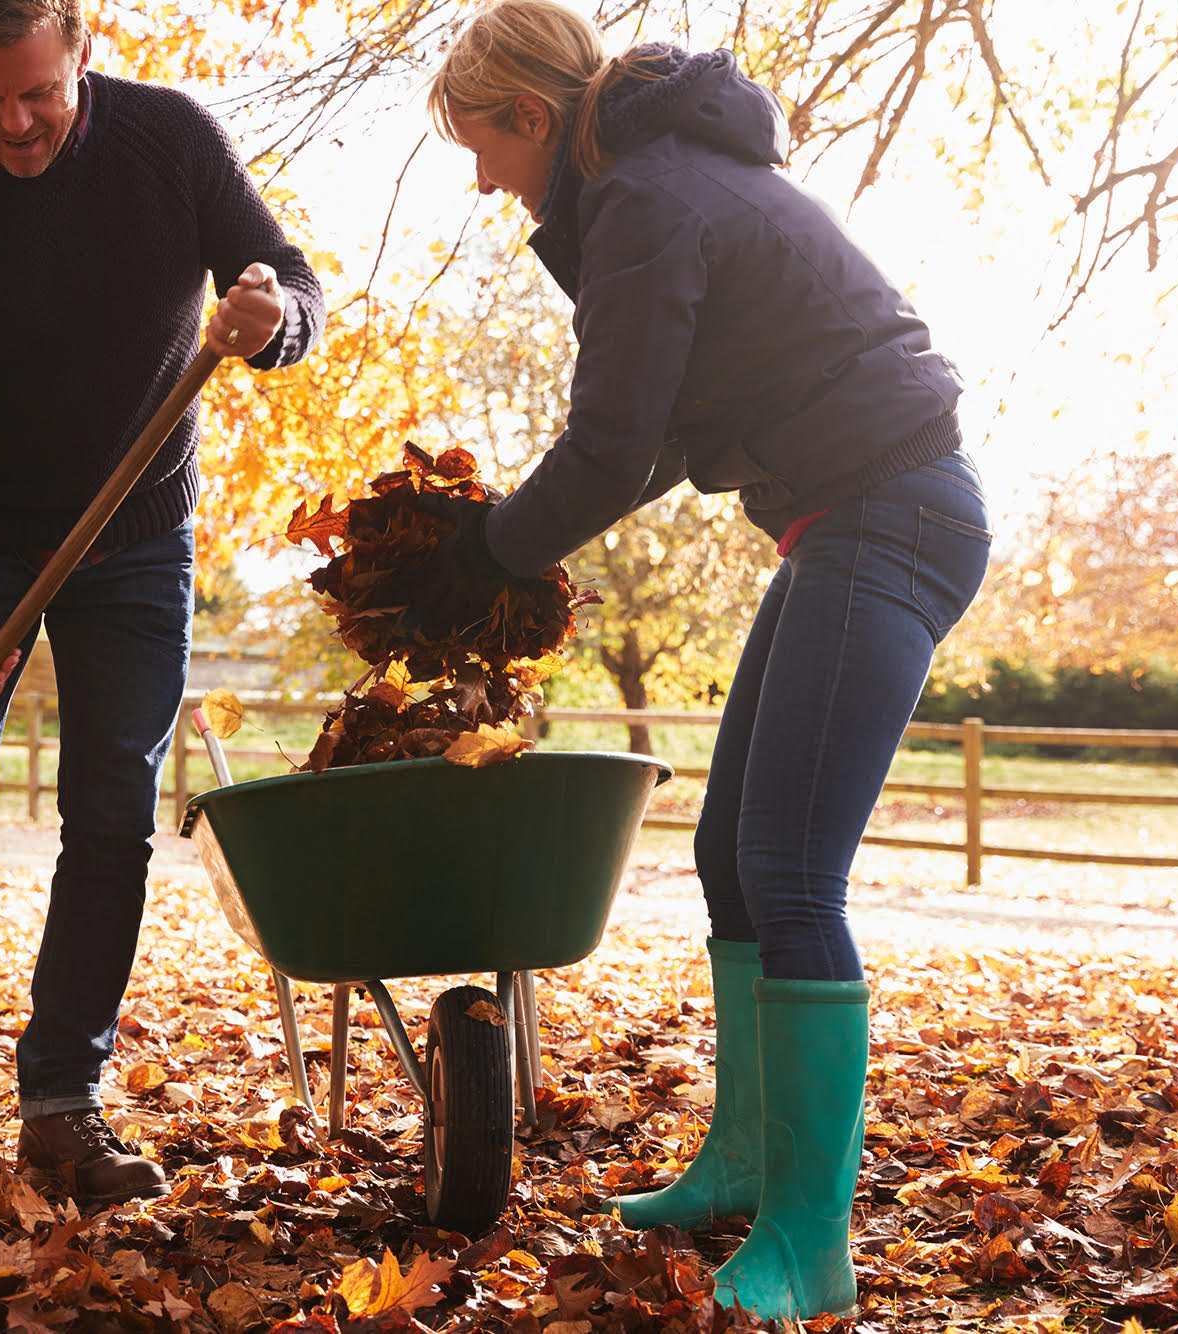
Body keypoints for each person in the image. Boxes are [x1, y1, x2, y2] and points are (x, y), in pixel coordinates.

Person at [423, 1, 990, 1320]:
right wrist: (510, 533)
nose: (481, 176)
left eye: (482, 144)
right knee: (733, 849)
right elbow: (668, 432)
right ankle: (745, 1159)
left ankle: (809, 1237)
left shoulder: (646, 198)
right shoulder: (665, 183)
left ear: (532, 116)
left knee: (792, 867)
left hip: (889, 509)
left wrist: (492, 554)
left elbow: (618, 447)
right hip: (847, 514)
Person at [0, 0, 324, 1208]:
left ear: (80, 53)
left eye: (36, 94)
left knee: (109, 817)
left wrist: (272, 325)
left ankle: (62, 1097)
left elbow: (296, 287)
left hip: (135, 536)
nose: (13, 123)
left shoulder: (170, 144)